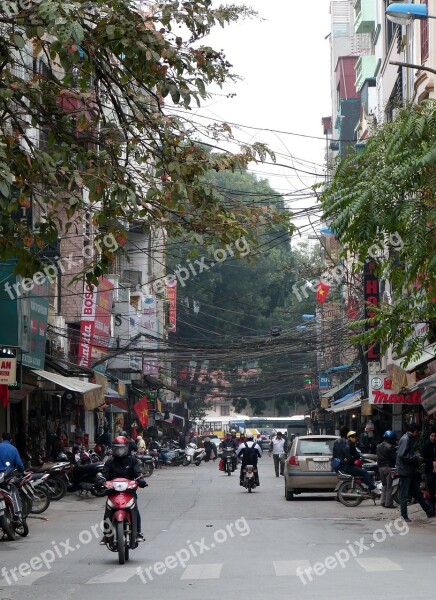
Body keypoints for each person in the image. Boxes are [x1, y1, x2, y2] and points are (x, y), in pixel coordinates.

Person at [100, 436, 147, 544]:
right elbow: (104, 474)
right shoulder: (110, 462)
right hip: (113, 492)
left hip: (129, 492)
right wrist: (101, 481)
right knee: (108, 511)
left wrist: (141, 480)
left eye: (122, 448)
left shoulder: (133, 461)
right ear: (113, 449)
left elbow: (137, 473)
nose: (119, 451)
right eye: (117, 448)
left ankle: (138, 532)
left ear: (126, 448)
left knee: (135, 509)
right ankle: (106, 534)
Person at [396, 423, 435, 522]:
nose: (417, 434)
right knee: (404, 495)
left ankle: (429, 511)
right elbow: (403, 455)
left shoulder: (408, 438)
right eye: (417, 432)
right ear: (415, 431)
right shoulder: (406, 439)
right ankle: (404, 516)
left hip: (409, 470)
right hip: (405, 471)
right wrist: (416, 457)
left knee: (418, 493)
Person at [339, 431, 380, 496]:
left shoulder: (352, 445)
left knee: (365, 473)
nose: (354, 438)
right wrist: (353, 458)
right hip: (347, 467)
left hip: (350, 465)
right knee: (364, 472)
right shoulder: (347, 447)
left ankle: (369, 487)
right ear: (349, 438)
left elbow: (357, 455)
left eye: (355, 437)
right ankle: (373, 488)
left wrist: (353, 457)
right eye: (353, 437)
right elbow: (350, 458)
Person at [376, 430, 397, 508]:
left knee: (384, 485)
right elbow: (393, 458)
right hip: (388, 468)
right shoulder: (390, 447)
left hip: (380, 468)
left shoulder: (378, 446)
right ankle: (388, 503)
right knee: (390, 486)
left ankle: (383, 501)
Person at [421, 429, 436, 509]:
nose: (433, 438)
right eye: (432, 436)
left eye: (435, 436)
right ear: (429, 437)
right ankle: (431, 508)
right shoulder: (426, 446)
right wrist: (432, 462)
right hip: (429, 471)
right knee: (430, 491)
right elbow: (423, 458)